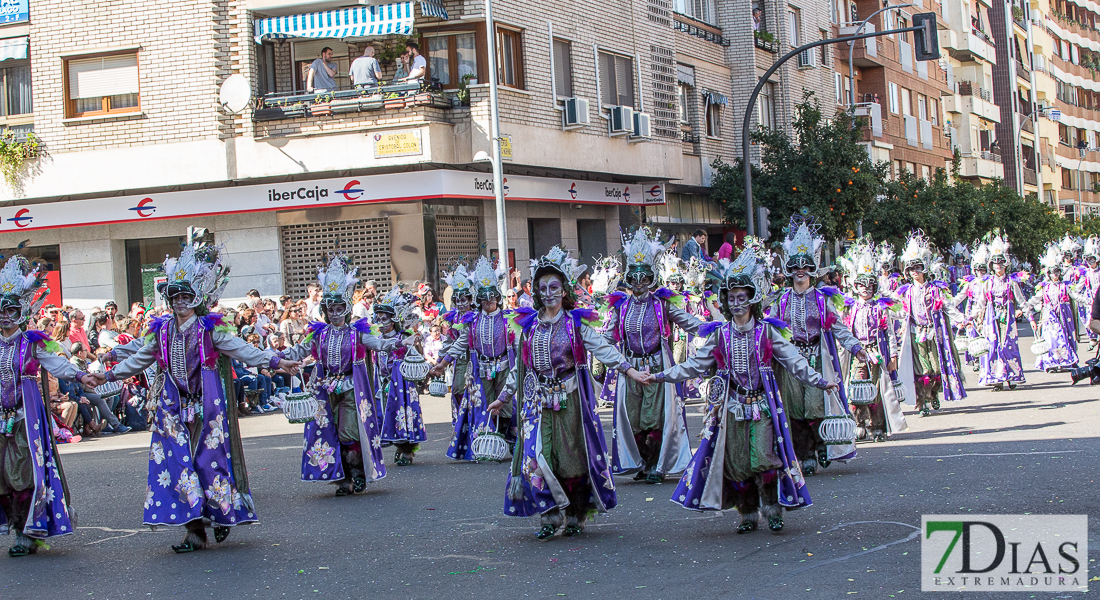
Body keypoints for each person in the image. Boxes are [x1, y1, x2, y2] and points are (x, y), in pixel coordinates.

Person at [96, 239, 300, 553]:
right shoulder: (161, 331)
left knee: (208, 466)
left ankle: (220, 517)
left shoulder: (210, 330)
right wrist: (107, 374)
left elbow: (242, 349)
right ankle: (194, 532)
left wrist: (275, 360)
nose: (179, 302)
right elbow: (139, 358)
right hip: (173, 409)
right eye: (175, 296)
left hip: (206, 410)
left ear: (196, 299)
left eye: (185, 296)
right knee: (179, 467)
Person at [649, 243, 833, 533]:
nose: (736, 304)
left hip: (761, 405)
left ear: (752, 300)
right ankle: (747, 513)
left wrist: (821, 381)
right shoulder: (720, 334)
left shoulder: (767, 331)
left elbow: (795, 361)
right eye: (731, 298)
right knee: (736, 464)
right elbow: (694, 365)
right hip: (732, 408)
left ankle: (773, 509)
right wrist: (662, 376)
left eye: (741, 298)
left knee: (763, 457)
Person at [488, 246, 647, 539]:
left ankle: (574, 514)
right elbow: (521, 369)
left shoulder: (575, 324)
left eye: (554, 287)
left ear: (564, 291)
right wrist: (504, 397)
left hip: (571, 403)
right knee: (538, 458)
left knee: (572, 460)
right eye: (543, 287)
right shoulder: (530, 327)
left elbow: (604, 349)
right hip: (538, 406)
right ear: (535, 291)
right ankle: (548, 515)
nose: (548, 293)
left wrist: (630, 370)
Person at [275, 255, 410, 496]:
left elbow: (378, 343)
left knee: (349, 433)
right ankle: (340, 479)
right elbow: (298, 350)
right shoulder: (318, 334)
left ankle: (357, 474)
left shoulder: (356, 333)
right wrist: (276, 358)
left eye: (340, 309)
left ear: (347, 309)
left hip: (350, 389)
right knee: (329, 433)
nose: (335, 313)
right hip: (325, 391)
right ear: (325, 310)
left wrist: (399, 341)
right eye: (331, 309)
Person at [0, 256, 98, 557]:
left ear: (22, 312)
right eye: (1, 311)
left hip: (23, 420)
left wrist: (82, 375)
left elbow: (58, 364)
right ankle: (17, 528)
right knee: (3, 479)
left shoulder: (31, 343)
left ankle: (28, 531)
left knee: (25, 476)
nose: (5, 317)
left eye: (11, 311)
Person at [767, 214, 867, 475]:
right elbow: (769, 330)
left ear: (812, 270)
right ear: (790, 270)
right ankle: (805, 454)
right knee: (795, 409)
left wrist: (857, 347)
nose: (801, 270)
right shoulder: (780, 300)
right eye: (796, 266)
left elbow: (839, 328)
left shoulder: (823, 299)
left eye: (806, 266)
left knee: (816, 406)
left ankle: (821, 443)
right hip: (790, 362)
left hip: (816, 358)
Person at [603, 229, 702, 484]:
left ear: (651, 277)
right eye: (634, 277)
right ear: (628, 278)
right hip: (630, 369)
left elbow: (691, 323)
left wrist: (721, 330)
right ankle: (643, 461)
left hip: (657, 367)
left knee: (654, 417)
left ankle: (657, 464)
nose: (639, 282)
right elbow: (606, 338)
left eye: (644, 277)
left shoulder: (662, 304)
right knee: (633, 419)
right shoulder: (621, 307)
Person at [431, 257, 516, 461]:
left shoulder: (508, 320)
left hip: (504, 366)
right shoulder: (473, 320)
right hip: (481, 368)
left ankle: (507, 439)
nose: (488, 302)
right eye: (484, 298)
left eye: (492, 298)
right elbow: (460, 343)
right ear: (478, 299)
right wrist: (442, 364)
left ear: (498, 297)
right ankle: (485, 440)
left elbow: (520, 345)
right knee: (482, 403)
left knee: (506, 403)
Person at [836, 239, 908, 443]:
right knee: (857, 388)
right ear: (855, 286)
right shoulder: (849, 307)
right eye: (861, 285)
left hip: (876, 352)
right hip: (857, 353)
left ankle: (877, 426)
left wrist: (893, 355)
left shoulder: (881, 308)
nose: (865, 289)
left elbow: (890, 334)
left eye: (869, 285)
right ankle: (859, 424)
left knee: (877, 390)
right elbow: (842, 330)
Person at [895, 231, 968, 417]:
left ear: (924, 268)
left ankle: (934, 392)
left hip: (934, 332)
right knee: (921, 369)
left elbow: (948, 306)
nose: (914, 272)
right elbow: (901, 311)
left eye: (918, 268)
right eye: (911, 269)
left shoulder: (935, 290)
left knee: (935, 367)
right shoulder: (906, 292)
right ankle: (923, 401)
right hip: (914, 333)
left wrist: (962, 319)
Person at [375, 287, 426, 466]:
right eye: (378, 318)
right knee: (386, 413)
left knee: (403, 413)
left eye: (384, 318)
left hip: (401, 384)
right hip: (382, 382)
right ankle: (397, 445)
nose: (381, 322)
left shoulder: (404, 336)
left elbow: (417, 358)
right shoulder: (375, 338)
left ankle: (406, 450)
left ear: (394, 319)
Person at [975, 232, 1027, 391]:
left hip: (1008, 317)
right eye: (996, 263)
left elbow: (1021, 300)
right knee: (993, 345)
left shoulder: (1012, 282)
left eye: (1001, 263)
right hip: (992, 319)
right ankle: (997, 378)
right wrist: (969, 318)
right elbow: (980, 303)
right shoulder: (988, 283)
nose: (999, 266)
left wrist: (1030, 317)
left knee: (1008, 345)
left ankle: (1011, 376)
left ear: (1006, 265)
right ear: (991, 265)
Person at [1030, 244, 1080, 373]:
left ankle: (1066, 361)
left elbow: (1075, 296)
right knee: (1050, 339)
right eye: (1052, 272)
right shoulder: (1044, 287)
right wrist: (1026, 307)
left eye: (1057, 272)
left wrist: (1088, 301)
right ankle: (1050, 363)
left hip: (1063, 315)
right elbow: (1036, 299)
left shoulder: (1065, 285)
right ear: (1048, 274)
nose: (1055, 274)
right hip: (1049, 316)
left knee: (1066, 337)